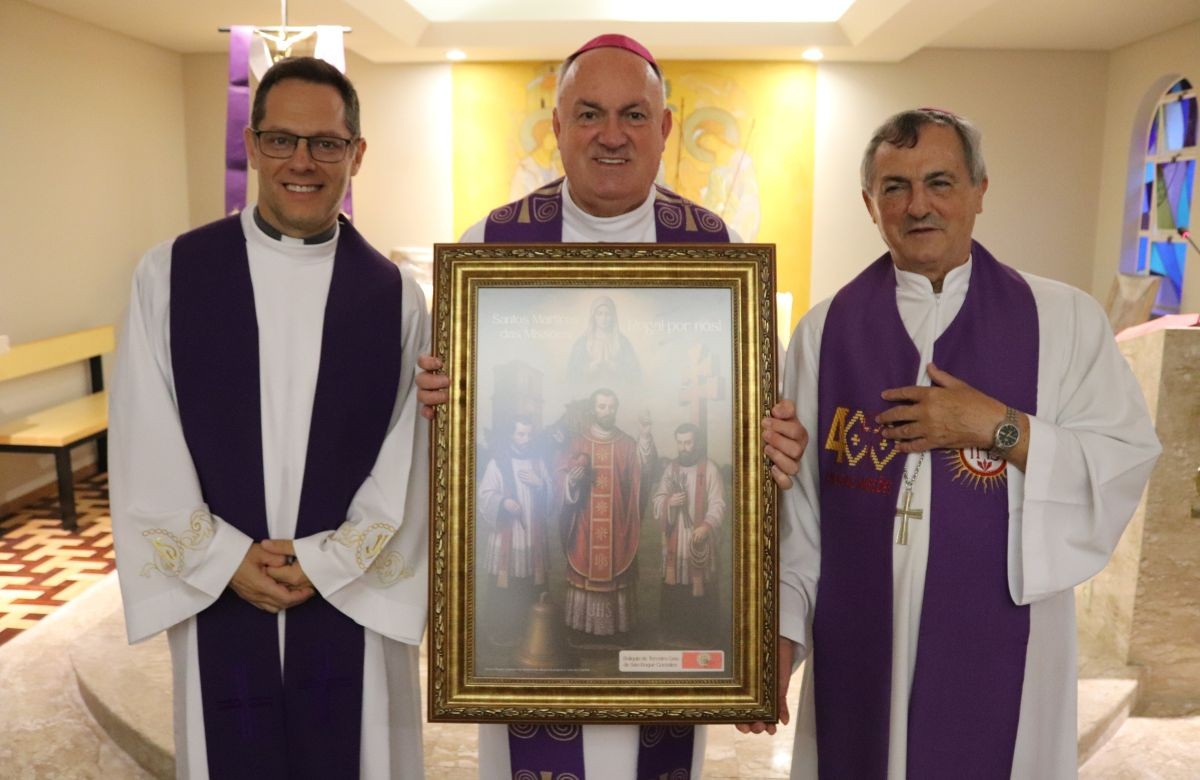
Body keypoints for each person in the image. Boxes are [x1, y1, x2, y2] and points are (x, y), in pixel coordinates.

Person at [416, 32, 807, 780]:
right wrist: (441, 398)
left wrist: (768, 428)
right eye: (588, 114)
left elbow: (736, 404)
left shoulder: (715, 250)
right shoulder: (489, 246)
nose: (611, 135)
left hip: (630, 503)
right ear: (555, 125)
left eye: (634, 115)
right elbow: (461, 429)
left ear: (664, 130)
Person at [749, 108, 1161, 779]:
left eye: (940, 182)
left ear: (979, 191)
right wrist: (782, 639)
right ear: (868, 203)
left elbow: (1122, 458)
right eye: (895, 187)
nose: (918, 206)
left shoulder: (1063, 320)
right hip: (860, 648)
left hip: (1002, 645)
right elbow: (800, 513)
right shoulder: (825, 332)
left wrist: (1000, 427)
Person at [109, 57, 429, 780]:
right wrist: (222, 560)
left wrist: (329, 562)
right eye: (281, 140)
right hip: (221, 585)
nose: (303, 163)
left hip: (349, 592)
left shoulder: (397, 298)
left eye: (327, 143)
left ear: (357, 154)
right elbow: (141, 432)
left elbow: (414, 452)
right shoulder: (169, 275)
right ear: (251, 146)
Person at [558, 388, 655, 638]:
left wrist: (644, 437)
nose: (607, 411)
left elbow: (642, 474)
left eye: (611, 406)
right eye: (602, 406)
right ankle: (582, 629)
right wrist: (571, 481)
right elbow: (561, 475)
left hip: (616, 521)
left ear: (616, 409)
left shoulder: (627, 443)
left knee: (615, 569)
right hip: (585, 520)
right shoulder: (578, 442)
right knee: (585, 565)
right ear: (594, 408)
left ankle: (616, 630)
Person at [477, 416, 553, 647]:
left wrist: (540, 484)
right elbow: (485, 494)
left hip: (532, 534)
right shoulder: (498, 462)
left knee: (530, 583)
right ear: (512, 434)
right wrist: (503, 503)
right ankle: (501, 631)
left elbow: (551, 496)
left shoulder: (538, 462)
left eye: (529, 434)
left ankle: (530, 631)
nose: (525, 439)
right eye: (520, 434)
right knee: (505, 584)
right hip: (507, 536)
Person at [651, 423, 727, 646]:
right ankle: (673, 634)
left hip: (699, 539)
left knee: (700, 585)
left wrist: (706, 526)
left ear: (697, 443)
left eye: (689, 442)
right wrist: (669, 503)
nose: (684, 448)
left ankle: (702, 635)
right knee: (674, 586)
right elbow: (658, 499)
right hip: (676, 540)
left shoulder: (710, 469)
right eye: (680, 443)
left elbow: (719, 503)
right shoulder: (671, 470)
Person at [566, 295, 643, 388]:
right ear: (593, 316)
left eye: (607, 314)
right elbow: (571, 375)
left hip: (617, 392)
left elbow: (636, 375)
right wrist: (588, 369)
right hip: (589, 391)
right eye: (599, 314)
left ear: (613, 317)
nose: (604, 318)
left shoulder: (622, 342)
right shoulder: (582, 342)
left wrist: (617, 368)